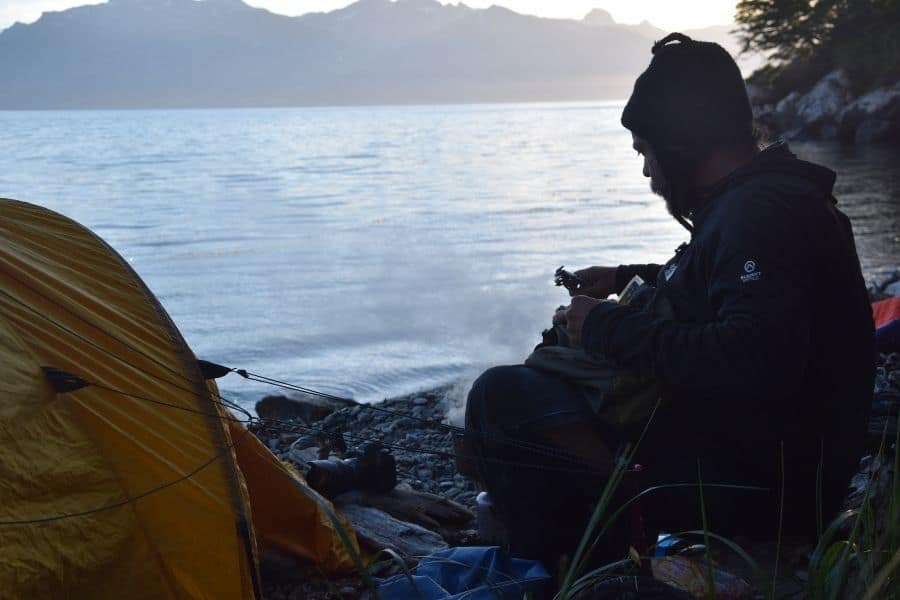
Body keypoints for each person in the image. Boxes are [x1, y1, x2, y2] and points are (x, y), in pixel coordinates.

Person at [462, 33, 875, 570]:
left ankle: (579, 559)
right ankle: (592, 536)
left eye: (646, 151)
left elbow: (752, 358)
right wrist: (625, 276)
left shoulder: (762, 214)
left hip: (765, 492)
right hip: (764, 457)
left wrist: (605, 328)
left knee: (502, 398)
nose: (646, 172)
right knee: (544, 392)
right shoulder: (763, 199)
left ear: (681, 142)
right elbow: (722, 285)